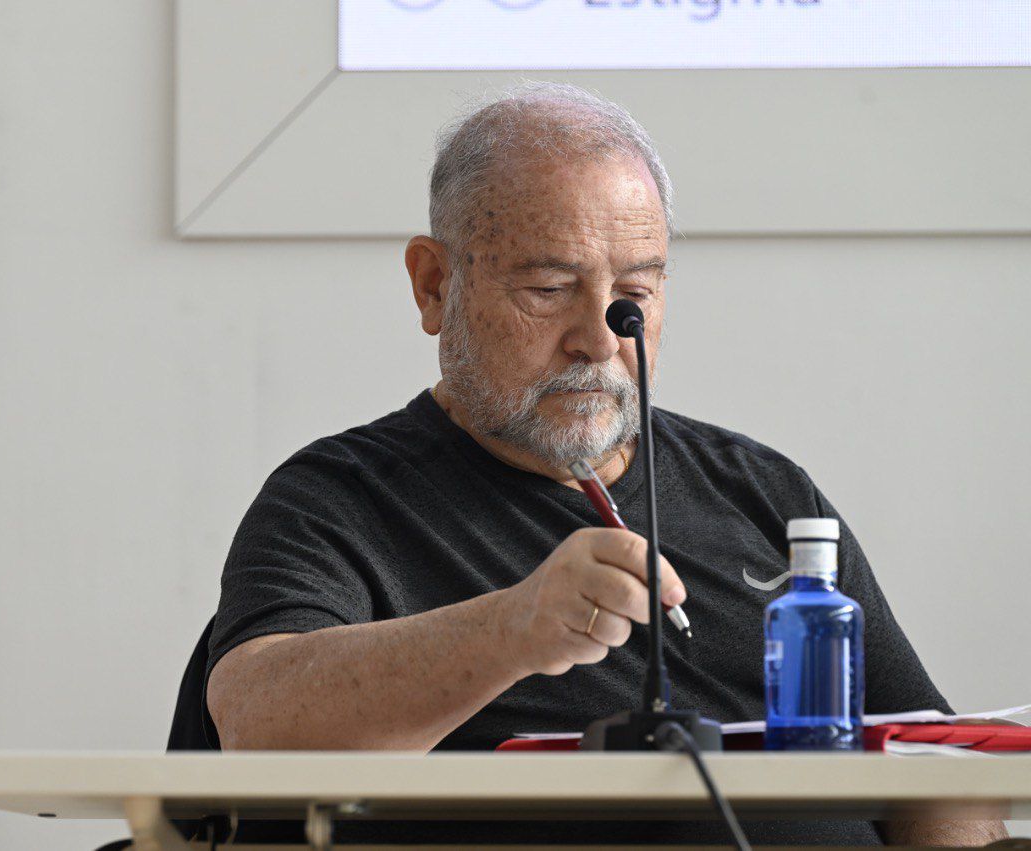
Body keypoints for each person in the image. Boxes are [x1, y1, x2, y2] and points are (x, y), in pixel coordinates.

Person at [204, 81, 1006, 846]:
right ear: (434, 285)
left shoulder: (763, 491)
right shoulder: (337, 499)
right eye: (549, 288)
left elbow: (937, 762)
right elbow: (255, 719)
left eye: (634, 294)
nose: (600, 338)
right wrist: (513, 628)